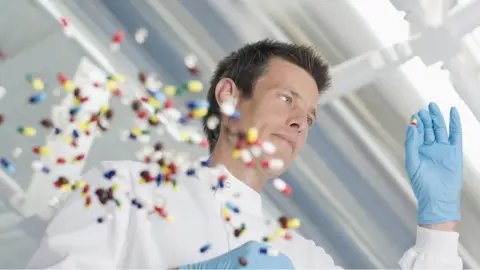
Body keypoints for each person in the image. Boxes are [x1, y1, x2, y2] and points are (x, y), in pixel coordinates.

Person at [27, 40, 463, 269]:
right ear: (229, 95)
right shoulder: (122, 189)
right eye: (288, 99)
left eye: (310, 118)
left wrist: (438, 226)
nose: (299, 122)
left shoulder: (302, 257)